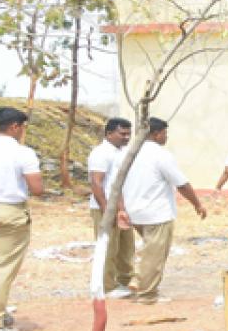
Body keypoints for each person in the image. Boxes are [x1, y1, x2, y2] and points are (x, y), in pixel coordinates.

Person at [116, 118, 207, 304]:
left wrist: (122, 209)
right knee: (155, 255)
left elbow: (116, 184)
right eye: (165, 133)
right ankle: (147, 294)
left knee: (149, 249)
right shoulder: (161, 155)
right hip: (156, 212)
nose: (166, 137)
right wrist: (197, 204)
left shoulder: (127, 153)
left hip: (134, 211)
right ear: (156, 134)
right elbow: (181, 183)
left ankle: (138, 280)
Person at [0, 108, 44, 331]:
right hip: (8, 211)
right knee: (3, 268)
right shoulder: (23, 153)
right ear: (14, 127)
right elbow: (37, 189)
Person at [88, 118, 135, 298]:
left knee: (125, 246)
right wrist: (107, 210)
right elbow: (97, 183)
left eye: (128, 134)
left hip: (121, 206)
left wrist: (122, 209)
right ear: (109, 134)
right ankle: (107, 286)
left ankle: (125, 280)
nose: (126, 137)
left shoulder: (121, 152)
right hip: (105, 207)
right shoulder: (101, 153)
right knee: (109, 247)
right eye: (122, 134)